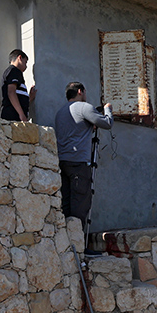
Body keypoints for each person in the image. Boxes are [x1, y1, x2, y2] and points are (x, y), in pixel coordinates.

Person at [55, 82, 113, 244]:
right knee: (80, 204)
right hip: (79, 163)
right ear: (80, 91)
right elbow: (107, 123)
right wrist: (107, 108)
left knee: (67, 205)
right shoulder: (83, 107)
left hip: (63, 162)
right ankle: (79, 247)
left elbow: (75, 130)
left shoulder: (61, 112)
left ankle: (68, 245)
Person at [0, 49, 36, 121]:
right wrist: (21, 114)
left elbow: (17, 96)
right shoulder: (14, 71)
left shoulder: (13, 72)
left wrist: (29, 98)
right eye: (25, 62)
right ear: (19, 58)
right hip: (13, 116)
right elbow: (11, 92)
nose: (26, 66)